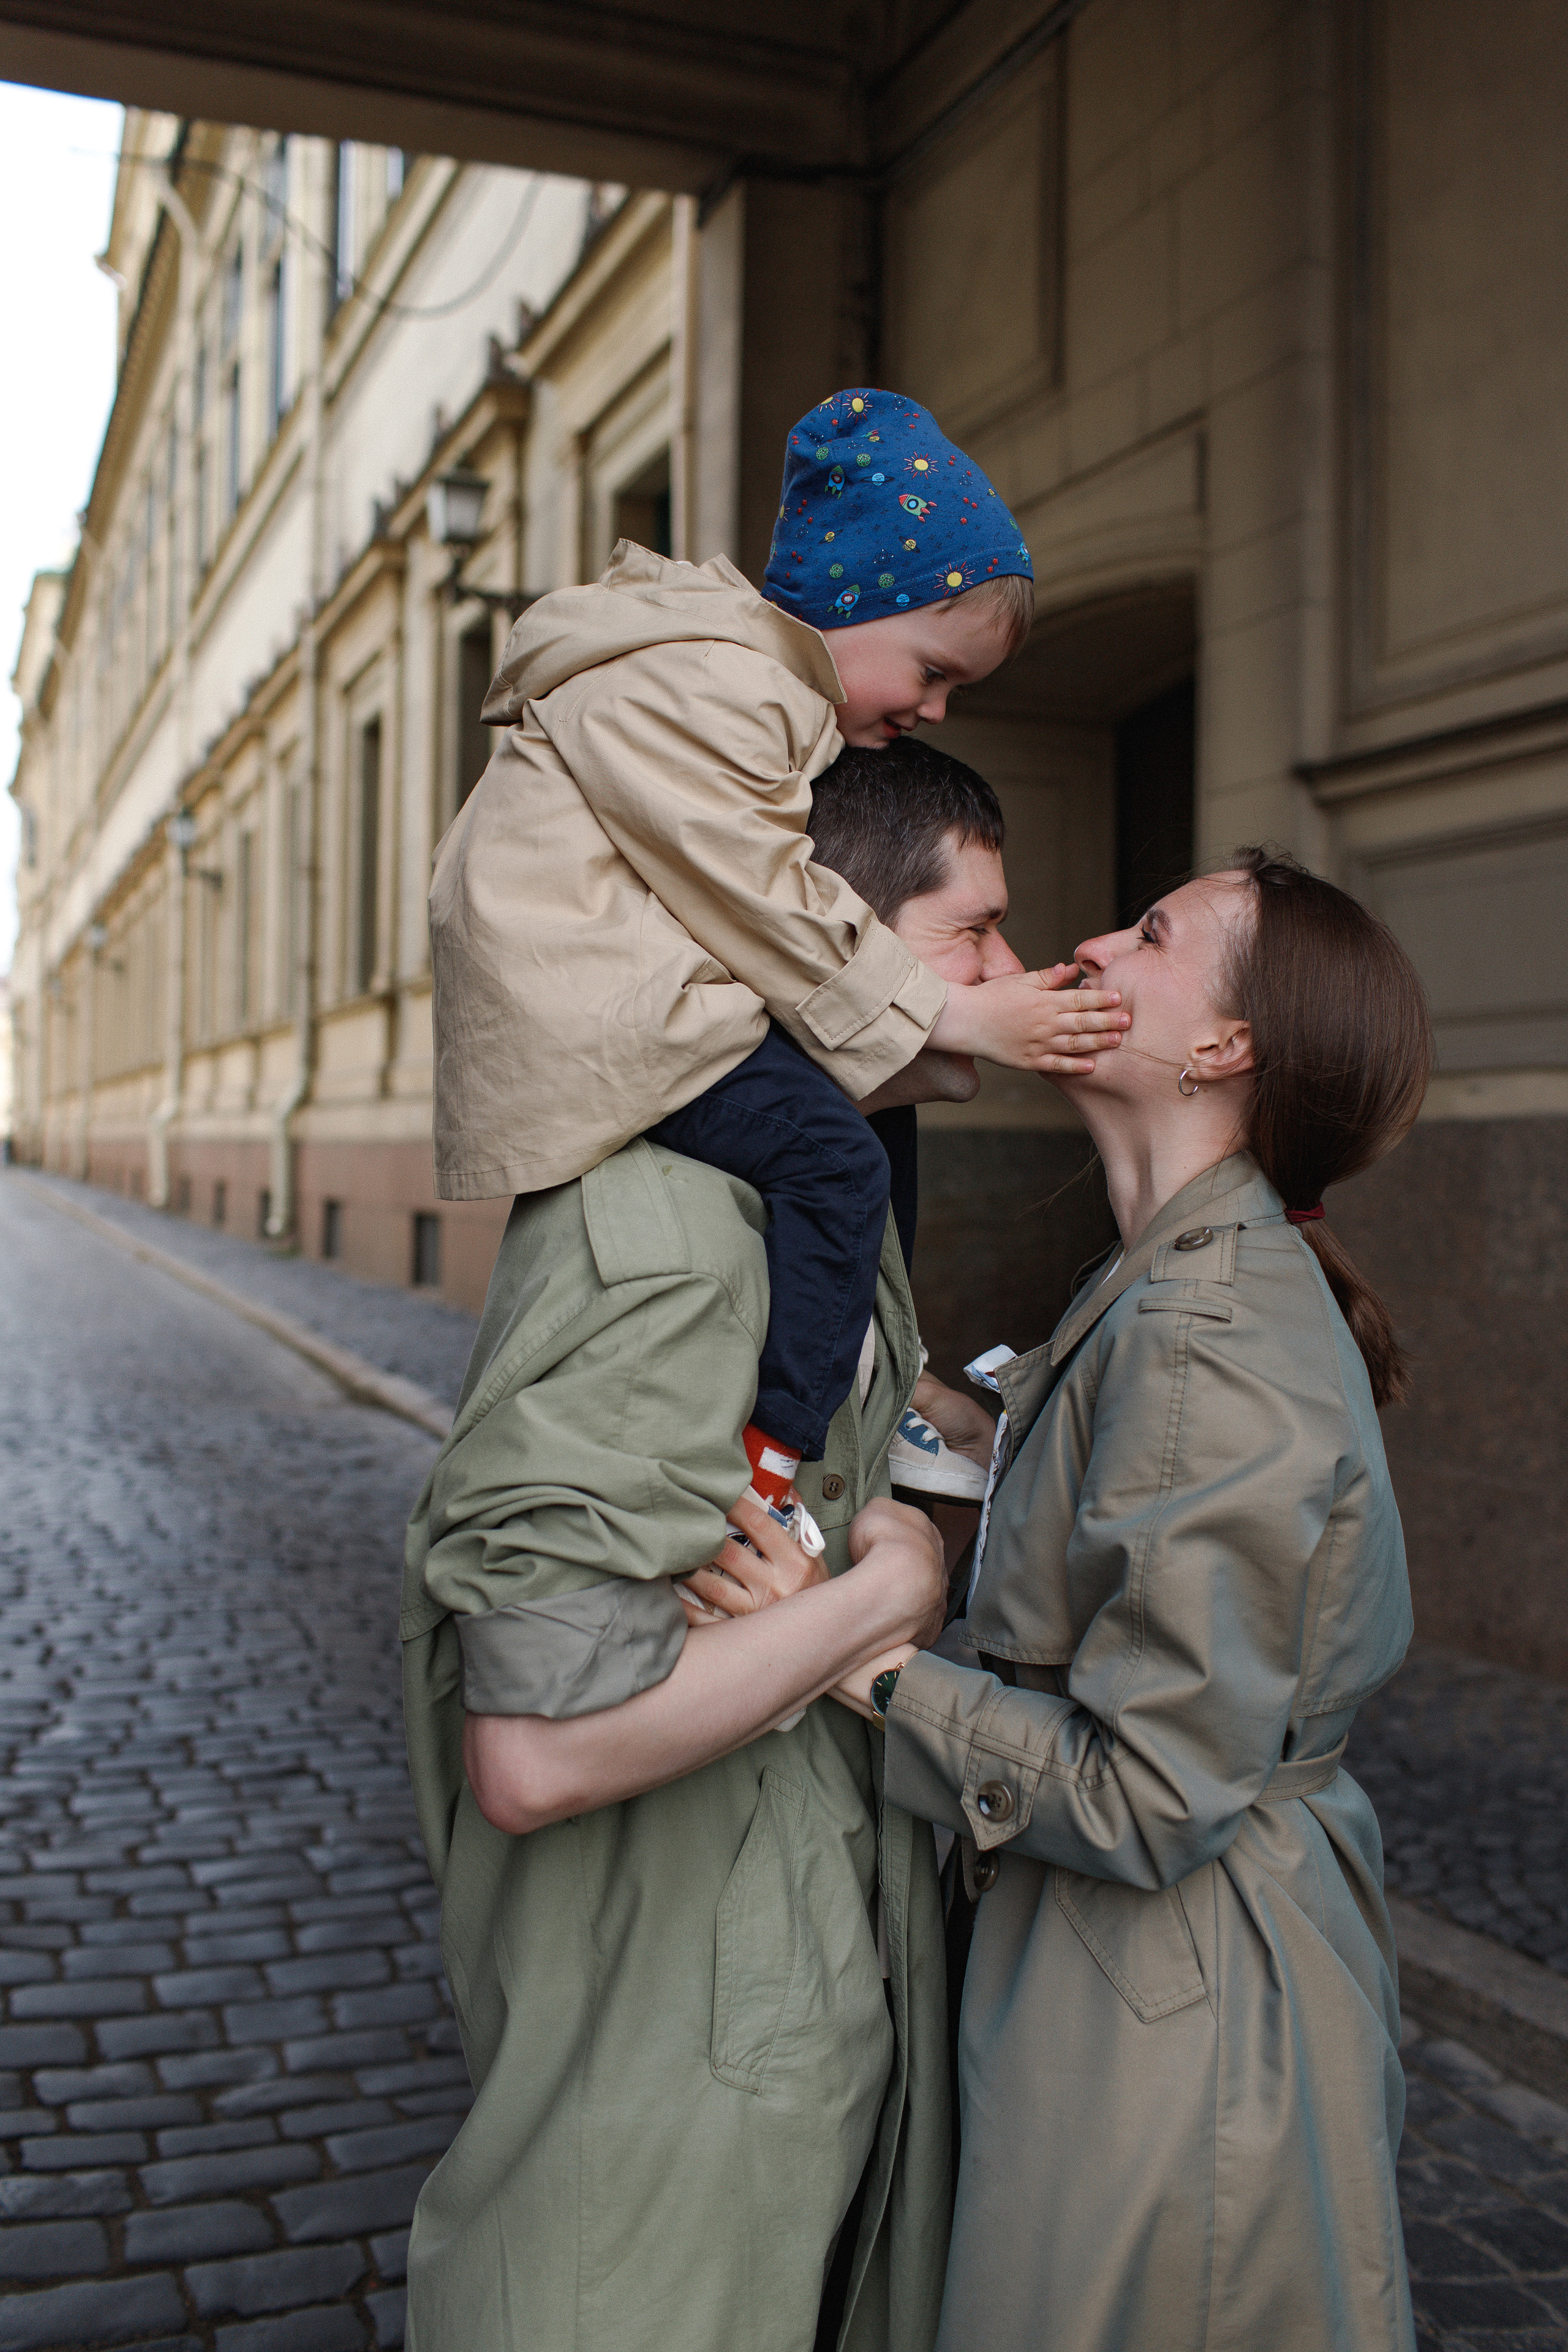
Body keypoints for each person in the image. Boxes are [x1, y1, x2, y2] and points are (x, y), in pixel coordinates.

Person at [400, 750, 1038, 2352]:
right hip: (663, 2110)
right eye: (978, 936)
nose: (1017, 983)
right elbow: (536, 1755)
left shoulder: (808, 1198)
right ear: (835, 934)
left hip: (732, 2033)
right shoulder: (686, 1236)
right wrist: (889, 1599)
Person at [875, 850, 1434, 2352]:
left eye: (1150, 934)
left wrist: (855, 1674)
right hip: (1130, 1979)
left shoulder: (1203, 1329)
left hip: (1161, 2011)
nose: (1088, 942)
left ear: (1220, 1048)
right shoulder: (1165, 1274)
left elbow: (1146, 1794)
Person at [429, 386, 1125, 1523]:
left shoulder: (739, 688)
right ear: (853, 607)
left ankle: (877, 1371)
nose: (939, 709)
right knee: (839, 1163)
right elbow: (761, 892)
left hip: (645, 1002)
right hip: (611, 1025)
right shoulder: (716, 684)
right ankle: (783, 1454)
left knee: (862, 1111)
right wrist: (948, 1016)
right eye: (933, 670)